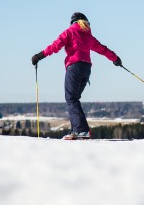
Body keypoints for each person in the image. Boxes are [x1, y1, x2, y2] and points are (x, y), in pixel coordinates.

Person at [31, 12, 122, 140]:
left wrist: (39, 56)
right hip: (86, 68)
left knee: (71, 99)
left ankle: (81, 131)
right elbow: (102, 49)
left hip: (74, 67)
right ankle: (76, 130)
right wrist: (115, 58)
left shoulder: (69, 32)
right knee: (74, 99)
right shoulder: (88, 36)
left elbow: (55, 46)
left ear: (73, 22)